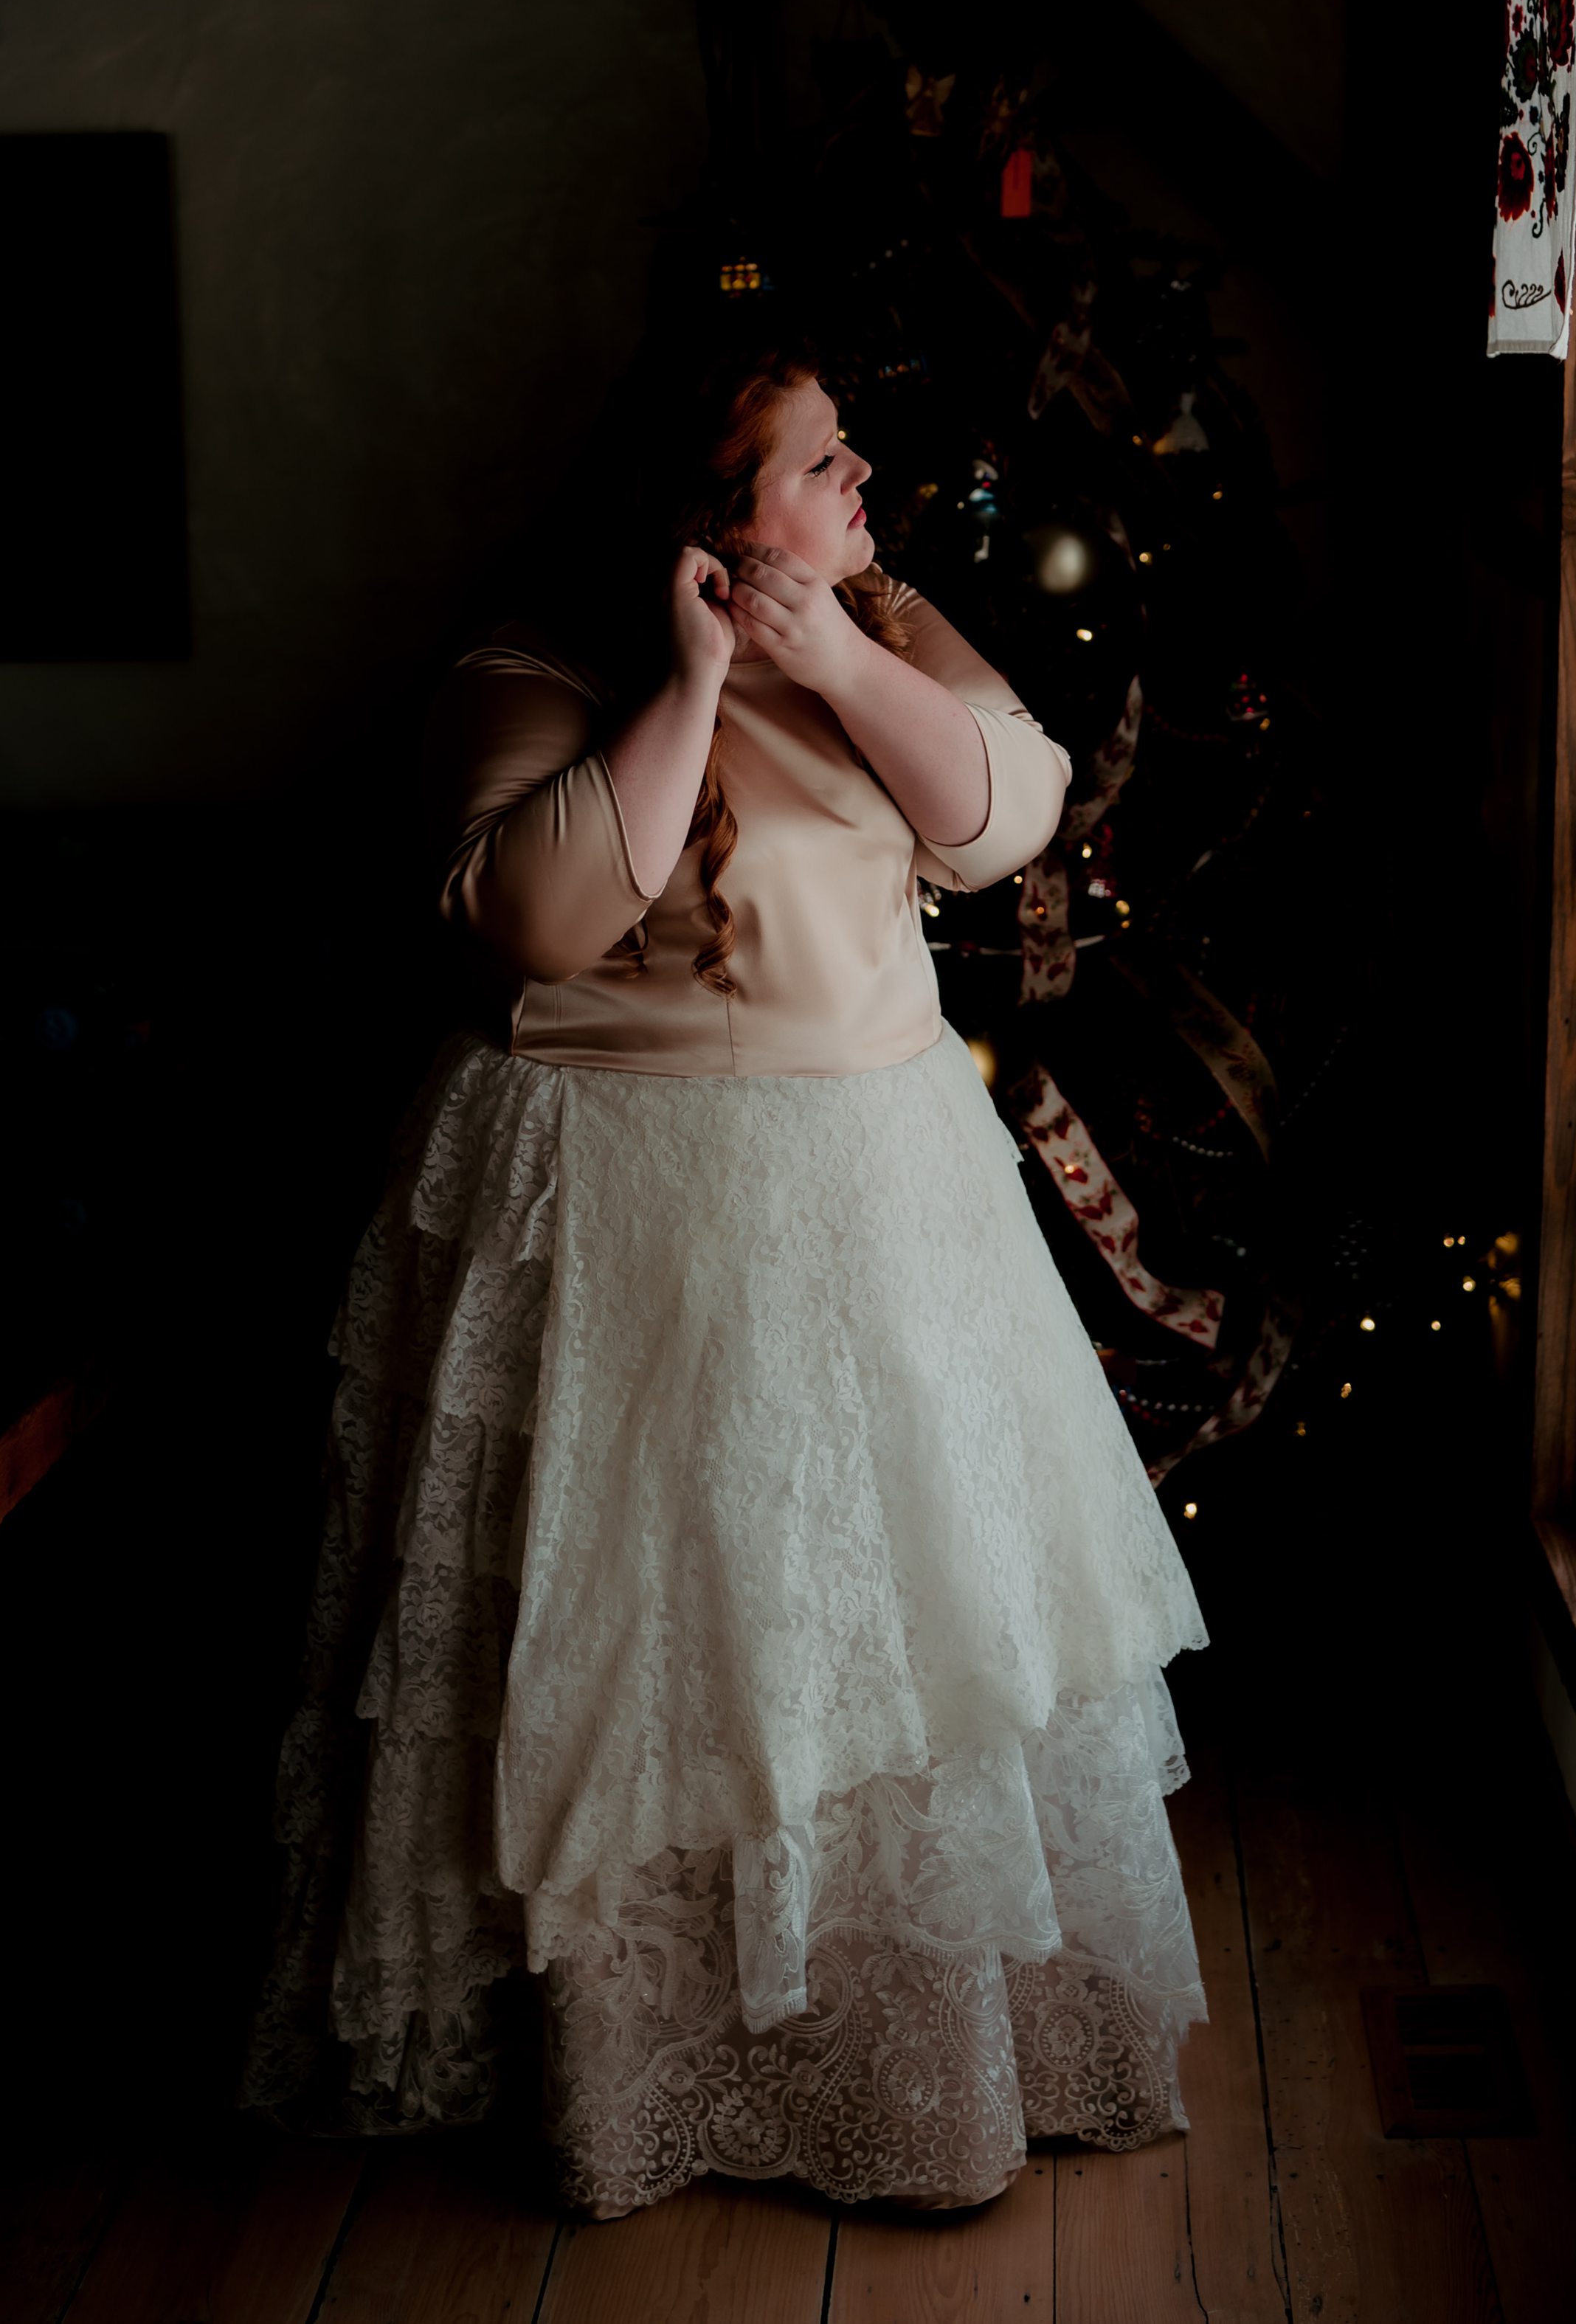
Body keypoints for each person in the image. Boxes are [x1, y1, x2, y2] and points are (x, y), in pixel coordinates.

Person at [241, 333, 1209, 2217]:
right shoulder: (536, 667)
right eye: (815, 463)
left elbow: (1012, 806)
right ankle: (641, 2066)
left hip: (874, 1181)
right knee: (653, 1635)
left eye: (850, 452)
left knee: (883, 1617)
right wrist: (695, 674)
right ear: (709, 520)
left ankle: (899, 2057)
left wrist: (839, 649)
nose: (862, 483)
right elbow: (528, 916)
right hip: (626, 1203)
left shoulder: (888, 622)